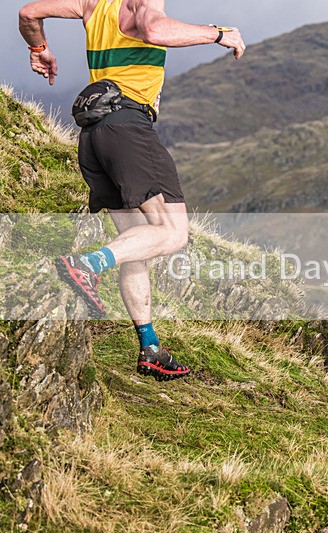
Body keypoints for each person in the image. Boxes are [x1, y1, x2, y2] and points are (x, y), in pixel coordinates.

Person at [19, 0, 245, 380]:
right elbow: (154, 30)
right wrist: (220, 34)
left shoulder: (93, 4)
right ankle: (87, 265)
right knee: (173, 232)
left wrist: (39, 49)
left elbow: (29, 13)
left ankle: (150, 347)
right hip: (127, 128)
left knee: (135, 244)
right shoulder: (143, 3)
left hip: (93, 135)